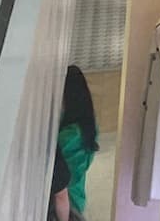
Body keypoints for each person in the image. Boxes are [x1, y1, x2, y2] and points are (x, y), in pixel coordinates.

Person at [55, 65, 98, 221]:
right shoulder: (88, 126)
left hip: (67, 204)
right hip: (77, 197)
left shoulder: (67, 137)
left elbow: (60, 191)